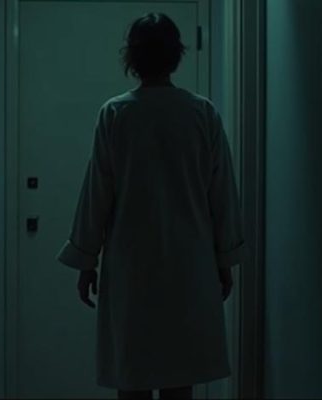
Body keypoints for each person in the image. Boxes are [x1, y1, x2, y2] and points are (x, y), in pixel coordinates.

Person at [56, 12, 247, 400]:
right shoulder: (201, 113)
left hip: (131, 266)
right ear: (176, 55)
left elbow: (98, 193)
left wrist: (86, 259)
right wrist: (224, 259)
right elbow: (222, 193)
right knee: (180, 373)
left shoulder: (117, 114)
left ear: (132, 58)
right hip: (189, 263)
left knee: (134, 374)